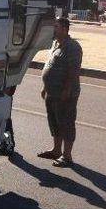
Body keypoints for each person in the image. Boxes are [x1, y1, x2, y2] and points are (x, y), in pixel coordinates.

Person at [37, 17, 83, 167]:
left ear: (64, 29)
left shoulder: (73, 47)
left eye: (55, 27)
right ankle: (56, 150)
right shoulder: (56, 44)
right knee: (54, 122)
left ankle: (67, 156)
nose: (52, 29)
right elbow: (51, 65)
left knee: (66, 123)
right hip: (52, 92)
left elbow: (73, 70)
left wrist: (67, 89)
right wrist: (45, 87)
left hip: (65, 94)